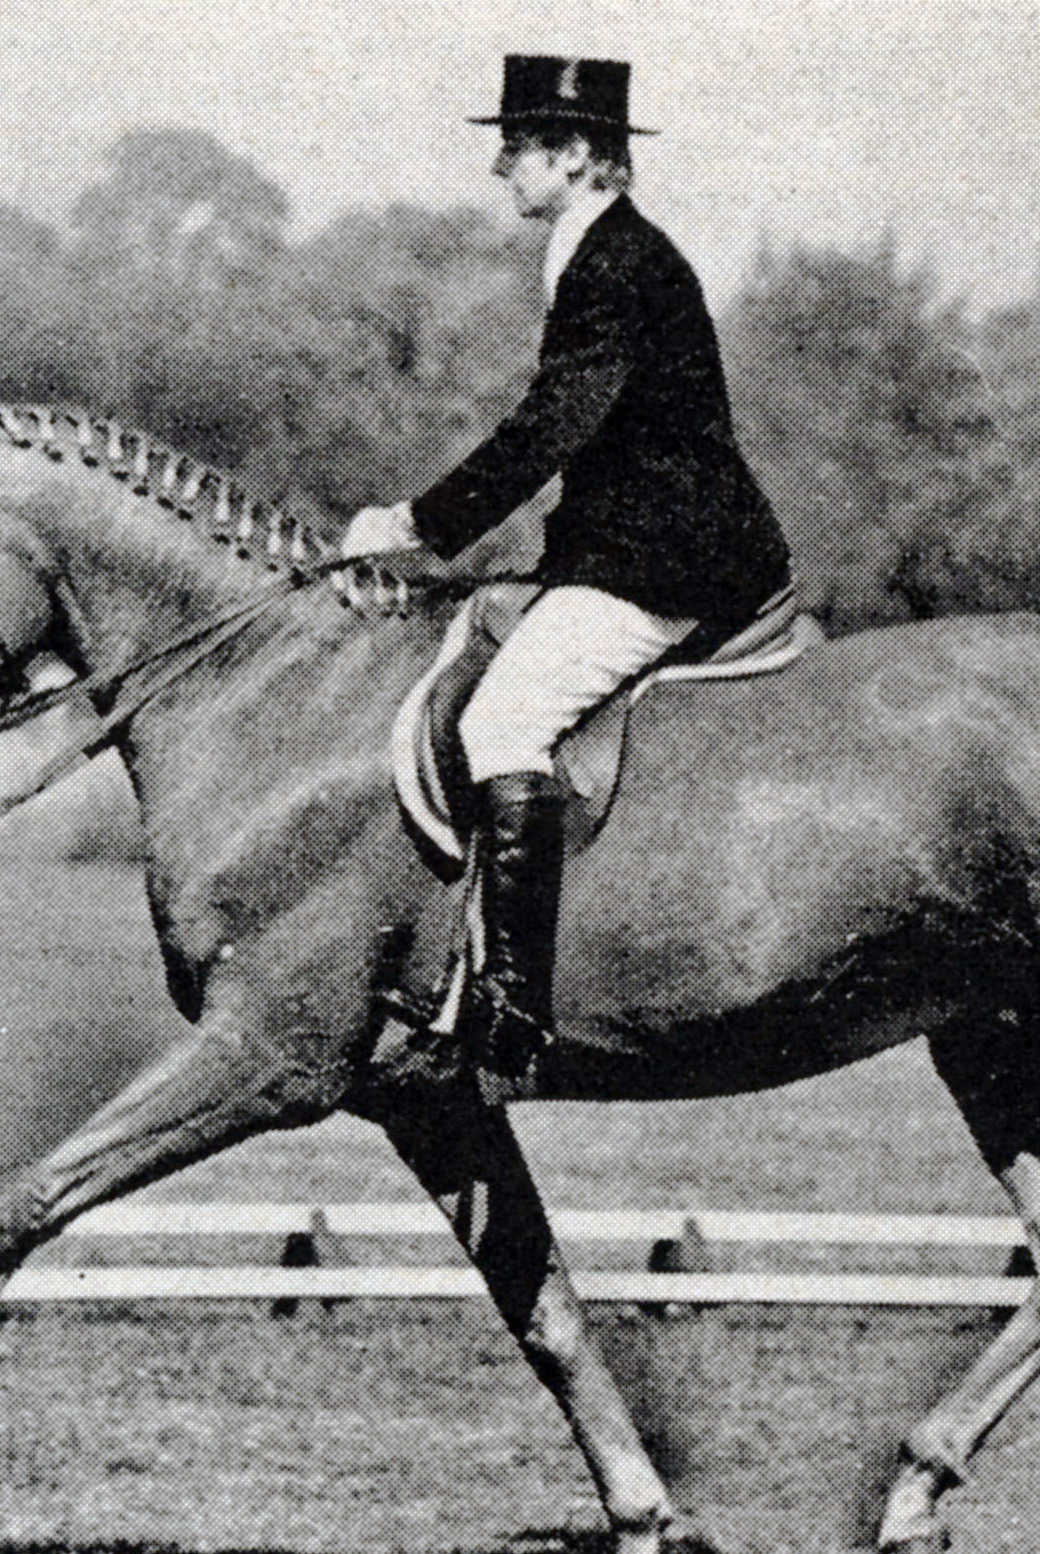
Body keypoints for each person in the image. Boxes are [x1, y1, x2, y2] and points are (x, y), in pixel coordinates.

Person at [340, 54, 795, 1091]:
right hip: (632, 545)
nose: (500, 164)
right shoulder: (597, 253)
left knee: (499, 728)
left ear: (579, 157)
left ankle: (510, 1016)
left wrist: (418, 524)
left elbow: (553, 425)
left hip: (667, 563)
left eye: (520, 145)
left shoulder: (617, 264)